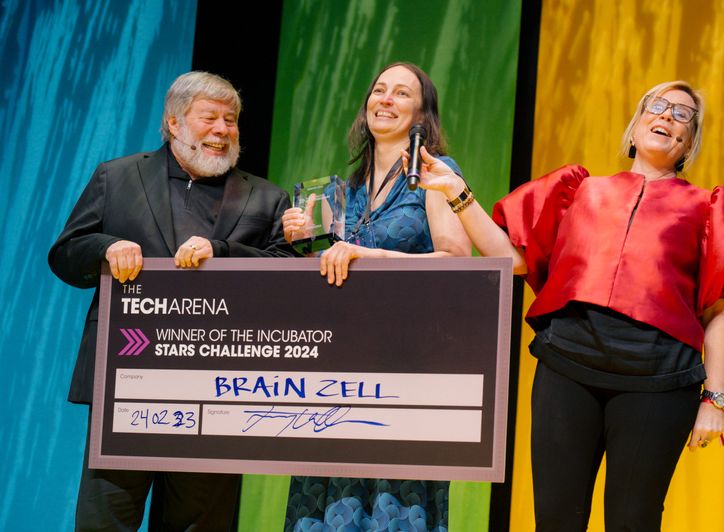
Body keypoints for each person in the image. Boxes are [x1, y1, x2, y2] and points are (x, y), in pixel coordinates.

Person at [414, 81, 724, 530]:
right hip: (567, 372)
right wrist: (456, 192)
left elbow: (720, 309)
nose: (666, 116)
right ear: (635, 127)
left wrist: (714, 399)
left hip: (658, 385)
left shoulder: (705, 207)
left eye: (681, 115)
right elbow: (512, 258)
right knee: (557, 519)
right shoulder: (579, 189)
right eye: (656, 107)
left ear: (689, 142)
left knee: (632, 521)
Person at [49, 71, 292, 531]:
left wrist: (221, 252)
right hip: (126, 385)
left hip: (221, 394)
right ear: (175, 123)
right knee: (105, 520)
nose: (223, 130)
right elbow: (65, 254)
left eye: (231, 120)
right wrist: (104, 247)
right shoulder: (117, 176)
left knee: (202, 522)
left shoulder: (266, 197)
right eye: (210, 118)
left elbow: (284, 274)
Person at [281, 63, 471, 531]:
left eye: (401, 93)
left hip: (405, 367)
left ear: (422, 114)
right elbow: (328, 278)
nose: (385, 99)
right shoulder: (341, 191)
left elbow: (457, 259)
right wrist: (301, 242)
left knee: (393, 501)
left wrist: (372, 254)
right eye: (379, 90)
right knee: (325, 497)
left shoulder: (435, 174)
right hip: (337, 367)